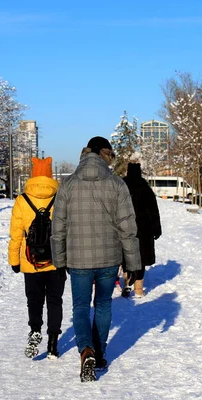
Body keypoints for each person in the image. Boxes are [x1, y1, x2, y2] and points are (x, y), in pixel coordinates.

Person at [51, 136, 141, 382]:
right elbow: (127, 226)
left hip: (77, 260)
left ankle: (86, 349)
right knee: (103, 305)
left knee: (80, 306)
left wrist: (59, 261)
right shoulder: (116, 184)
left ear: (85, 153)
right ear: (106, 155)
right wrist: (133, 264)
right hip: (109, 259)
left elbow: (58, 226)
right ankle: (99, 353)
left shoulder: (67, 184)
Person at [8, 156, 66, 360]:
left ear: (32, 175)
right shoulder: (60, 198)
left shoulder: (22, 200)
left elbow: (16, 233)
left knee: (34, 300)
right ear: (50, 175)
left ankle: (35, 330)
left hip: (30, 260)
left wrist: (14, 260)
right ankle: (52, 343)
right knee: (55, 301)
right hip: (56, 260)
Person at [121, 159, 162, 298]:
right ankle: (138, 289)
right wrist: (157, 228)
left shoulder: (121, 185)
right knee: (141, 259)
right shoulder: (145, 187)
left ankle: (126, 285)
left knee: (125, 257)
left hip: (124, 228)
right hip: (144, 230)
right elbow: (154, 210)